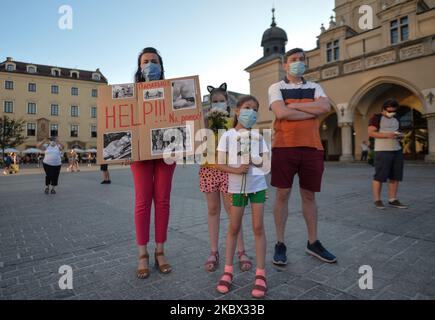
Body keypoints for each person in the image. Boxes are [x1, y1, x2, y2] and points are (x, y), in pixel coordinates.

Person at [268, 48, 337, 265]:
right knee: (282, 194)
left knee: (309, 196)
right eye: (293, 60)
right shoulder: (276, 87)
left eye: (301, 59)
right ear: (285, 65)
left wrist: (294, 105)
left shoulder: (315, 86)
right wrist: (310, 110)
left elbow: (326, 107)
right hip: (284, 146)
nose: (298, 62)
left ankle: (313, 242)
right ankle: (280, 243)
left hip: (312, 147)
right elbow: (281, 113)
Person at [215, 95, 269, 299]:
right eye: (248, 108)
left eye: (255, 109)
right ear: (237, 110)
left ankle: (261, 274)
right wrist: (236, 169)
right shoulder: (227, 135)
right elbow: (218, 163)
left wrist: (254, 162)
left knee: (258, 227)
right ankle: (227, 271)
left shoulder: (259, 137)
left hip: (258, 187)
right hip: (236, 188)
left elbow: (266, 164)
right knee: (234, 227)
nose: (251, 112)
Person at [131, 47, 176, 279]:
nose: (150, 65)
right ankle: (142, 254)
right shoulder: (130, 93)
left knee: (163, 200)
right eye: (146, 61)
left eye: (154, 61)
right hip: (140, 152)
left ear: (161, 66)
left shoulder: (171, 90)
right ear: (139, 67)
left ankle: (160, 250)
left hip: (166, 150)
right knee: (142, 201)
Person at [200, 83, 251, 273]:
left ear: (227, 102)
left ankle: (241, 251)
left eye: (222, 101)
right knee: (213, 209)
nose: (218, 104)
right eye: (215, 102)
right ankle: (213, 251)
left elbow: (242, 141)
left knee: (232, 211)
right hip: (208, 168)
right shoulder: (205, 121)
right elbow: (197, 139)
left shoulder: (232, 121)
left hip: (229, 170)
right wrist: (204, 119)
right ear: (210, 103)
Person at [368, 99, 408, 210]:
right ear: (383, 109)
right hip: (382, 151)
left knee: (395, 176)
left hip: (397, 149)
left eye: (394, 111)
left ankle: (393, 199)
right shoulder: (376, 118)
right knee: (380, 176)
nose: (392, 113)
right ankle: (377, 200)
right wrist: (387, 135)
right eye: (389, 111)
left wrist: (400, 135)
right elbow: (371, 133)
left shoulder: (397, 118)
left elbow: (399, 131)